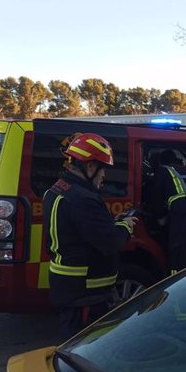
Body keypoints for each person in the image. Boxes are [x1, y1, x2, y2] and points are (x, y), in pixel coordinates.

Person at [43, 132, 137, 339]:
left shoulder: (58, 190)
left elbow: (81, 230)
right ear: (91, 167)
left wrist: (111, 222)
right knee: (82, 348)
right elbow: (110, 242)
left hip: (70, 287)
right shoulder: (83, 198)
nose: (104, 177)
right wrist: (125, 226)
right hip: (85, 293)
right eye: (103, 170)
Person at [147, 149, 186, 274]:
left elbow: (156, 197)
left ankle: (176, 283)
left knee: (179, 257)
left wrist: (160, 219)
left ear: (159, 161)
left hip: (182, 216)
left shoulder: (163, 171)